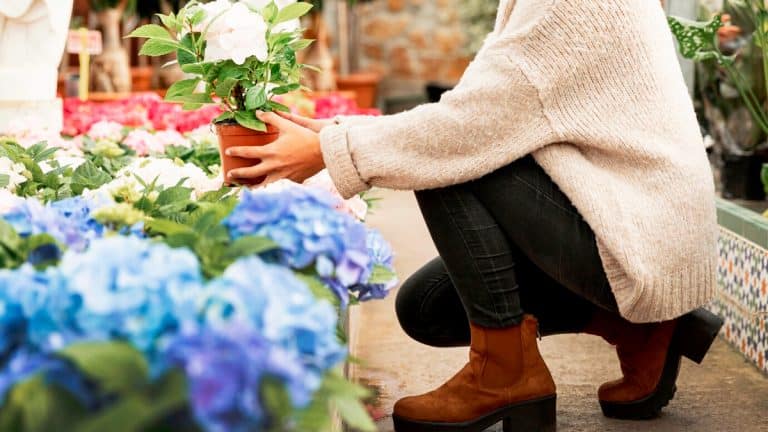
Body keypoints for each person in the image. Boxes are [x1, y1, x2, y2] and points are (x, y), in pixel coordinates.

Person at [225, 0, 723, 430]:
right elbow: (479, 104)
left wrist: (329, 150)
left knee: (444, 158)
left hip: (640, 235)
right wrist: (325, 134)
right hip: (628, 217)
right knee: (427, 307)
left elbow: (464, 128)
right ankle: (638, 327)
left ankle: (506, 372)